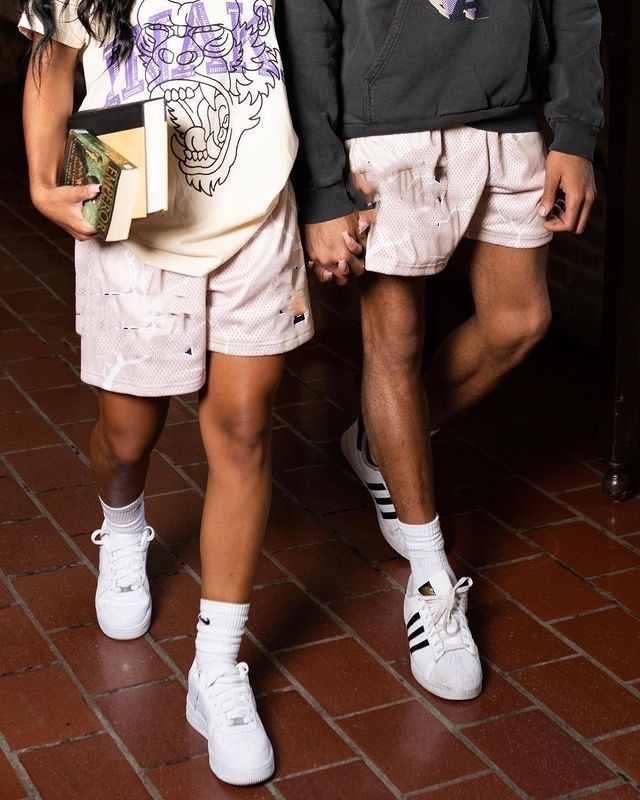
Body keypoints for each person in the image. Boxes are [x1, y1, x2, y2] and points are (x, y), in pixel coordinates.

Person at [19, 0, 312, 785]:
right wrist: (43, 178)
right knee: (127, 437)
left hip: (257, 212)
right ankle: (123, 527)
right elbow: (53, 57)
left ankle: (216, 669)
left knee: (245, 428)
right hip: (132, 206)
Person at [278, 0, 603, 701]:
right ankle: (430, 581)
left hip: (508, 112)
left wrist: (576, 129)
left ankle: (378, 442)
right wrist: (324, 184)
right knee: (394, 345)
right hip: (385, 126)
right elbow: (307, 22)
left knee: (519, 320)